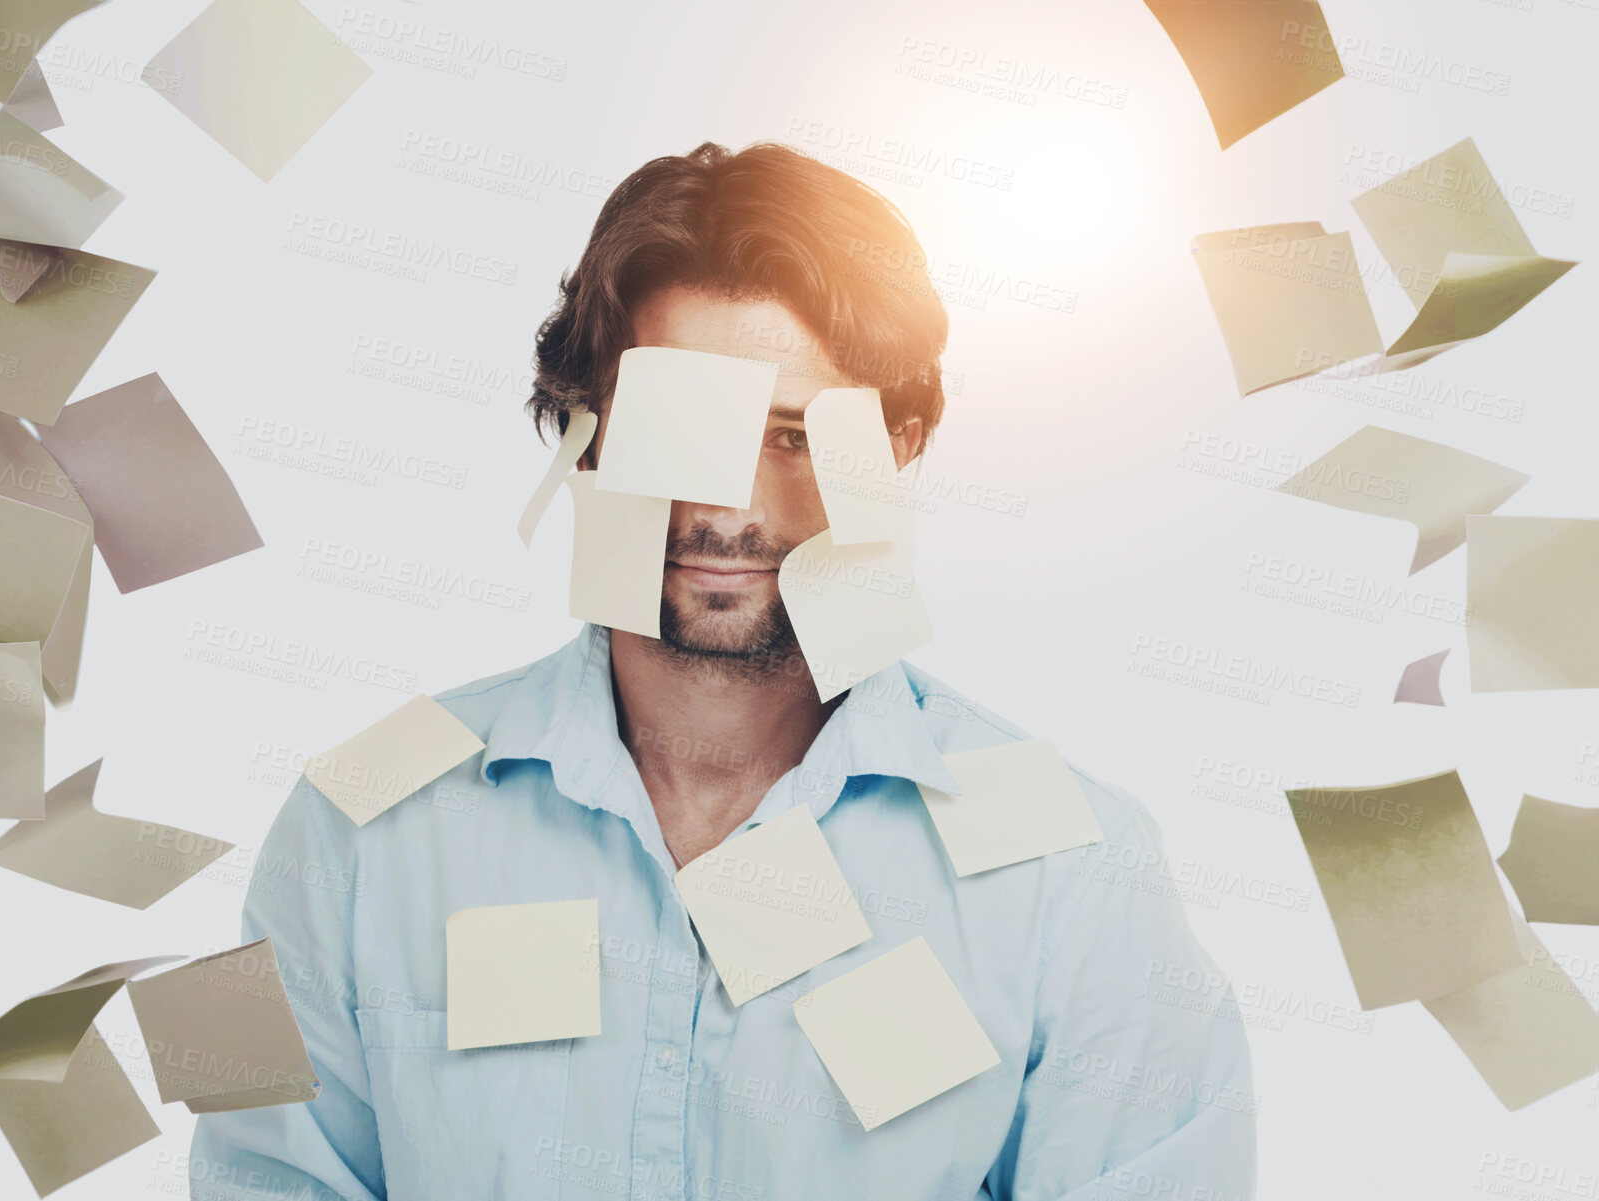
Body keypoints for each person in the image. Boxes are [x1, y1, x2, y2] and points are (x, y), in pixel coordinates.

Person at [189, 141, 1256, 1201]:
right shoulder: (358, 826)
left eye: (792, 438)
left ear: (900, 449)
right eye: (672, 431)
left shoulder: (1074, 869)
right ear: (580, 435)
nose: (724, 510)